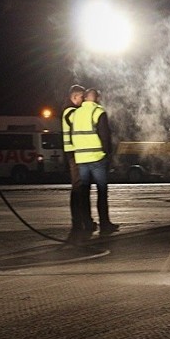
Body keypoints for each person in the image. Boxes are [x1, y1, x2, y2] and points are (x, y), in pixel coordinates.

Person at [70, 88, 119, 238]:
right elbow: (105, 135)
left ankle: (87, 223)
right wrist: (107, 154)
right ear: (96, 98)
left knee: (84, 192)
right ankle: (105, 224)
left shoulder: (75, 114)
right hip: (97, 157)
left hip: (81, 158)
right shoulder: (98, 112)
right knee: (101, 192)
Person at [62, 85, 95, 244]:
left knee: (83, 188)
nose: (83, 100)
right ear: (74, 97)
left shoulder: (75, 111)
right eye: (82, 97)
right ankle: (77, 223)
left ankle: (86, 221)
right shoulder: (70, 112)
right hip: (74, 154)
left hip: (80, 153)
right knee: (78, 188)